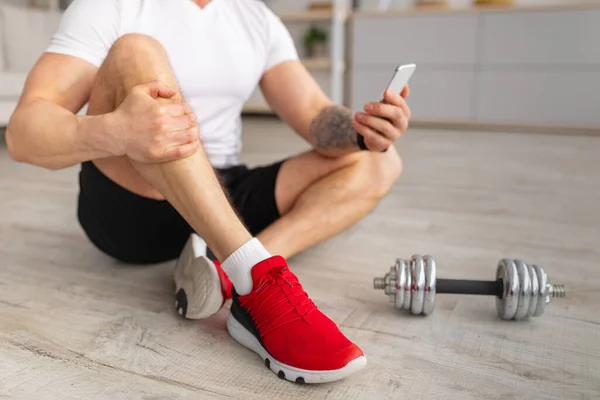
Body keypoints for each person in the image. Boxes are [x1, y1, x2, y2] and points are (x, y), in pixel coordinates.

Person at [6, 0, 410, 384]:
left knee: (381, 161)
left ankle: (232, 272)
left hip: (224, 193)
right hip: (133, 203)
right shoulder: (111, 5)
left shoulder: (255, 17)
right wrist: (118, 131)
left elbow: (313, 114)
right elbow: (24, 132)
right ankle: (258, 281)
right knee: (136, 49)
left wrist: (361, 131)